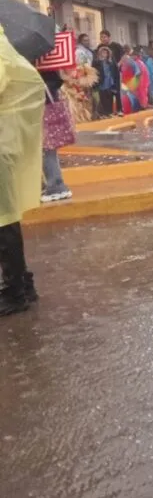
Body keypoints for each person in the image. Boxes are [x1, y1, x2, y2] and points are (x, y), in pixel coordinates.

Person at [0, 26, 44, 316]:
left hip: (2, 143)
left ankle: (16, 291)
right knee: (7, 216)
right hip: (7, 139)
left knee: (3, 219)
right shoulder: (4, 47)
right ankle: (22, 282)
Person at [39, 69, 74, 203]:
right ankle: (47, 185)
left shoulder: (42, 66)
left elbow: (54, 81)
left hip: (42, 109)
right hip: (35, 110)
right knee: (42, 149)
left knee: (46, 148)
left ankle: (56, 186)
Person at [92, 46, 119, 117]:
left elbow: (116, 72)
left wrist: (116, 82)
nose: (104, 54)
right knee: (103, 98)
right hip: (102, 83)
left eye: (106, 52)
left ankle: (110, 112)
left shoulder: (111, 62)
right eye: (103, 52)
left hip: (110, 82)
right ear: (100, 53)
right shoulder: (96, 62)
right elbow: (94, 72)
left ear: (108, 53)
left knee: (110, 97)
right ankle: (104, 113)